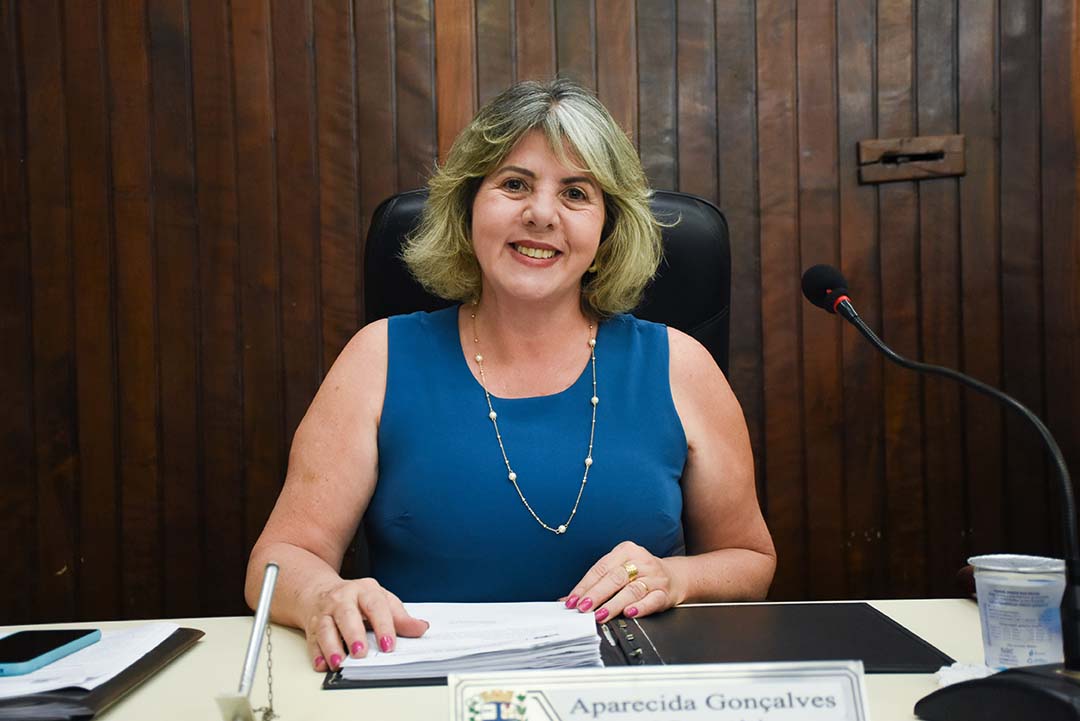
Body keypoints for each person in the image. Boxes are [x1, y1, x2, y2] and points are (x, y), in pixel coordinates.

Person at [245, 78, 776, 674]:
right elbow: (281, 557)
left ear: (607, 229)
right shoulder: (378, 358)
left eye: (575, 193)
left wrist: (676, 578)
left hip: (628, 695)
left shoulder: (681, 366)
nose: (541, 214)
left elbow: (750, 561)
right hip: (426, 691)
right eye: (515, 184)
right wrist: (323, 594)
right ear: (468, 206)